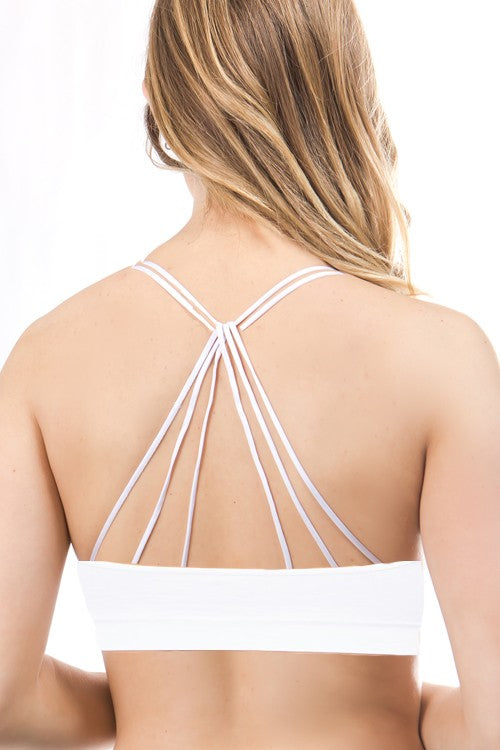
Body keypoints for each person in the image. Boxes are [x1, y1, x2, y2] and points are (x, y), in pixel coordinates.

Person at [1, 1, 499, 749]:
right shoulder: (439, 357)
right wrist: (406, 711)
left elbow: (5, 697)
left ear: (156, 93)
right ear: (343, 86)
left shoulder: (47, 358)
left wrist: (151, 701)